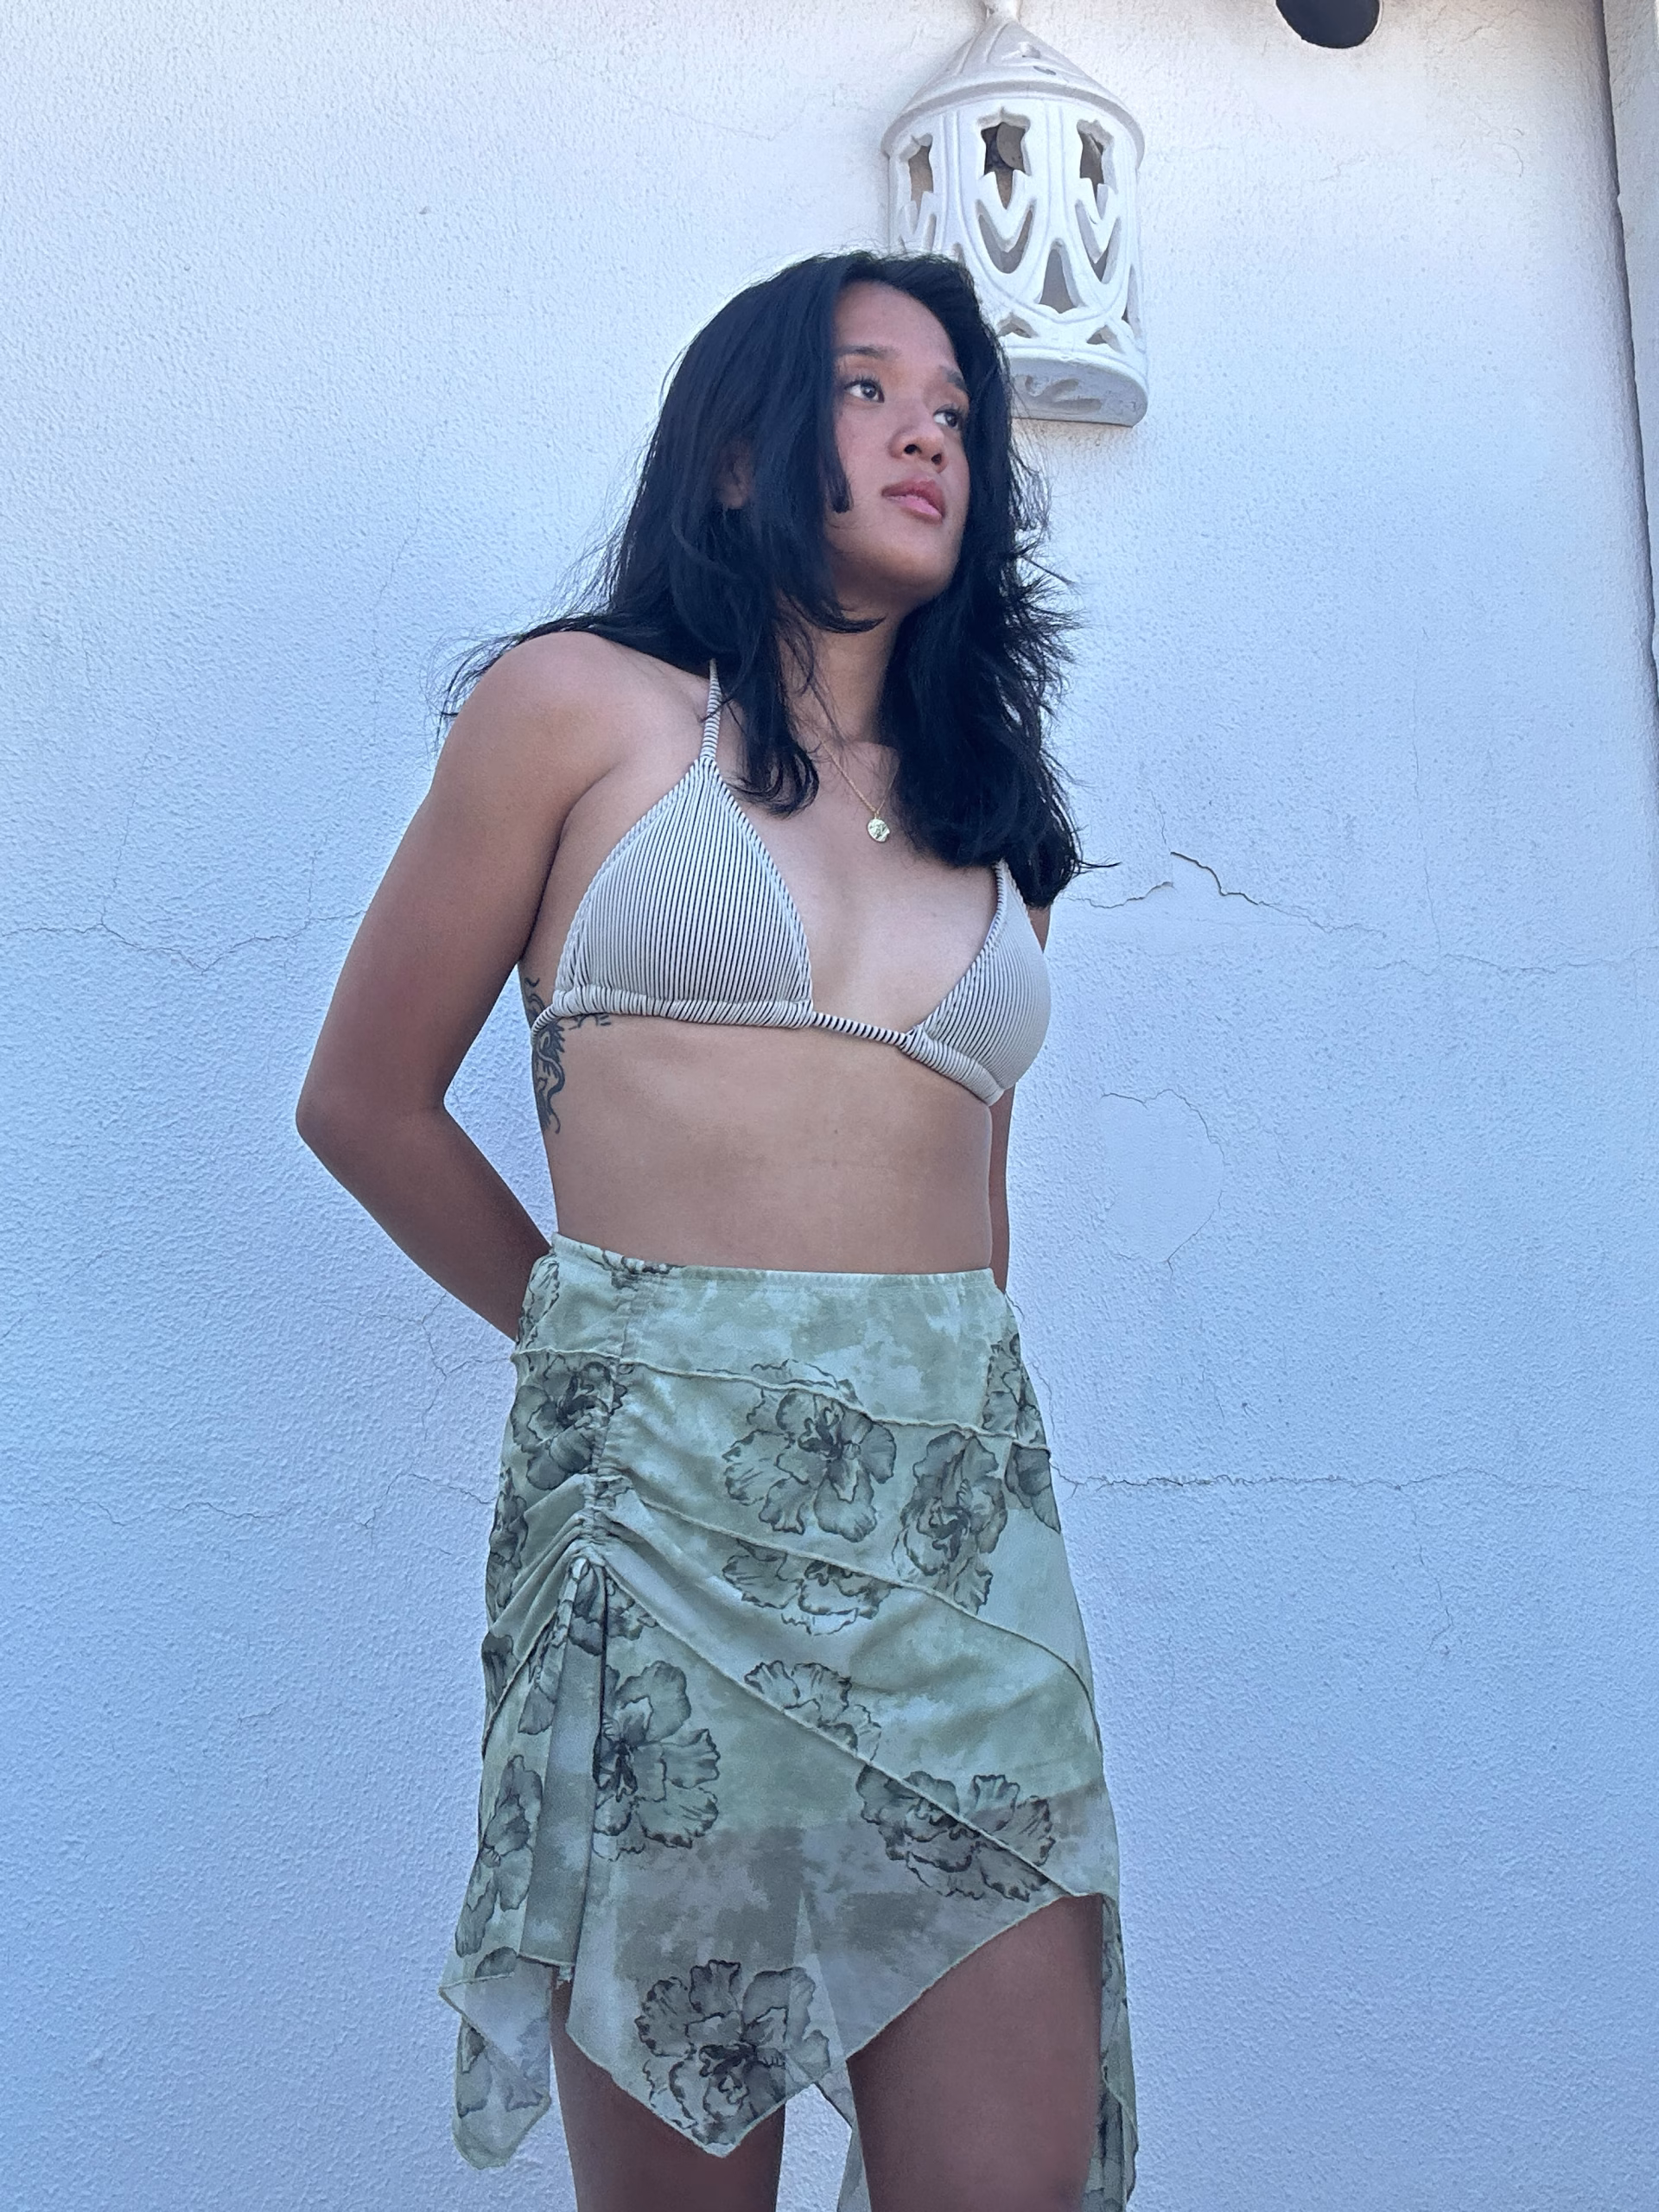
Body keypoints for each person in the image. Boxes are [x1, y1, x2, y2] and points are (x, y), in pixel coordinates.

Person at [296, 249, 1135, 2212]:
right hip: (660, 1545)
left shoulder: (996, 818)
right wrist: (599, 1341)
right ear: (744, 447)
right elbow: (363, 1099)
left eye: (957, 409)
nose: (930, 433)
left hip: (962, 1576)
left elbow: (977, 1229)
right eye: (870, 388)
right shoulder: (578, 707)